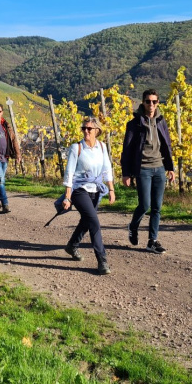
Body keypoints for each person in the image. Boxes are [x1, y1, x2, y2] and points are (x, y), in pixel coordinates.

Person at [121, 89, 175, 253]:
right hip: (143, 168)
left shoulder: (161, 121)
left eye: (154, 101)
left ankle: (152, 240)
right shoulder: (134, 124)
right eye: (148, 101)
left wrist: (170, 168)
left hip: (159, 168)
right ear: (143, 103)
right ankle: (133, 226)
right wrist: (126, 173)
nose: (151, 104)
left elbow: (167, 145)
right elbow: (127, 150)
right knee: (144, 205)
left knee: (157, 207)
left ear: (158, 103)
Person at [62, 117, 116, 274]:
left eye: (89, 129)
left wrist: (111, 189)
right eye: (83, 128)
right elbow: (69, 172)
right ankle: (102, 260)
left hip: (96, 189)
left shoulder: (102, 146)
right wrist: (67, 196)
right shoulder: (76, 148)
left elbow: (107, 169)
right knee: (94, 222)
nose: (86, 131)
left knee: (86, 221)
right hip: (79, 189)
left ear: (97, 131)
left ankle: (72, 245)